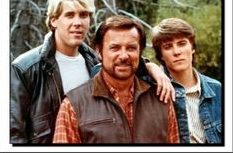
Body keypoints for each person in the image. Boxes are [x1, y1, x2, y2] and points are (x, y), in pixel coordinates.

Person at [10, 0, 174, 144]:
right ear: (53, 20)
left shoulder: (94, 61)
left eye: (84, 15)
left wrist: (151, 67)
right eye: (69, 15)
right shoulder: (26, 68)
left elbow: (123, 64)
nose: (78, 22)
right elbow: (13, 133)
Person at [53, 15, 180, 143]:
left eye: (131, 48)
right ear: (99, 51)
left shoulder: (161, 99)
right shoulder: (74, 105)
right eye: (115, 48)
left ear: (140, 51)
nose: (124, 56)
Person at [152, 18, 222, 143]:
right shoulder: (154, 91)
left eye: (182, 43)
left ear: (192, 48)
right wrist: (149, 66)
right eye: (168, 47)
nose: (176, 52)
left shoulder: (217, 89)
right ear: (161, 55)